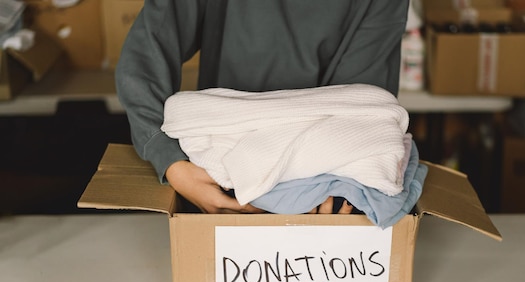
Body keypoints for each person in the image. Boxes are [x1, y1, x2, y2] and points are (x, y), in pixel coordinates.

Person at [116, 0, 409, 214]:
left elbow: (362, 106)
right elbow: (146, 52)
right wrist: (171, 161)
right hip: (218, 179)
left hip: (321, 192)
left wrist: (334, 182)